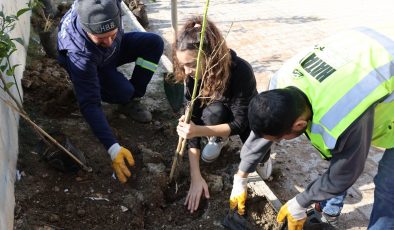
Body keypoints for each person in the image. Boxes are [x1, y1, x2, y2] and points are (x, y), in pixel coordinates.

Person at [229, 26, 394, 229]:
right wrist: (242, 175)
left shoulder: (343, 113)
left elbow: (346, 170)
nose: (277, 142)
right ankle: (329, 209)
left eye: (281, 139)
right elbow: (268, 124)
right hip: (361, 48)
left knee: (389, 187)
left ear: (299, 124)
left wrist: (300, 202)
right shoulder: (281, 85)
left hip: (378, 68)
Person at [57, 0, 164, 183]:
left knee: (153, 43)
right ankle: (90, 88)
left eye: (111, 34)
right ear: (87, 29)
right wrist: (113, 148)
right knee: (121, 92)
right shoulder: (79, 54)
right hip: (93, 64)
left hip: (110, 53)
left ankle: (133, 97)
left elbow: (108, 39)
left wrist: (110, 39)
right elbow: (90, 104)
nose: (107, 41)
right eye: (101, 38)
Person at [174, 16, 272, 214]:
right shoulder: (193, 77)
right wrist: (196, 177)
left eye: (191, 64)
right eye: (182, 65)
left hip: (249, 116)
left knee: (257, 139)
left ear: (209, 57)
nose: (186, 71)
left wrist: (197, 131)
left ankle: (264, 159)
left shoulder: (240, 71)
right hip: (222, 111)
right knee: (212, 113)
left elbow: (239, 123)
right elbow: (192, 123)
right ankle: (217, 138)